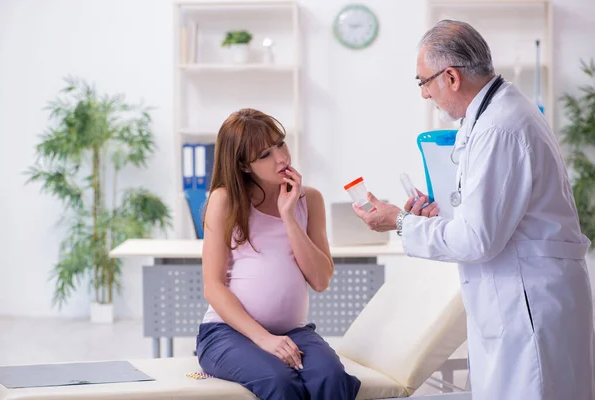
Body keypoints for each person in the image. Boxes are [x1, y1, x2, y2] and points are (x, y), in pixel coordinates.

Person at [354, 20, 595, 400]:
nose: (423, 95)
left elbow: (478, 240)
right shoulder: (490, 118)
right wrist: (427, 221)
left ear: (450, 77)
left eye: (423, 82)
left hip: (529, 304)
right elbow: (488, 221)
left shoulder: (500, 127)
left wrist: (399, 222)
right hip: (517, 302)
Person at [196, 108, 361, 400]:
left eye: (280, 144)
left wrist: (289, 216)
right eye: (264, 155)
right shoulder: (224, 201)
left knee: (332, 377)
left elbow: (321, 280)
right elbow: (213, 286)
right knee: (279, 381)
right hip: (226, 334)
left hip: (293, 332)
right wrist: (264, 339)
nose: (282, 158)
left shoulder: (309, 199)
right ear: (244, 166)